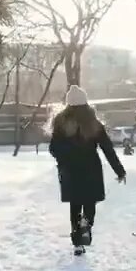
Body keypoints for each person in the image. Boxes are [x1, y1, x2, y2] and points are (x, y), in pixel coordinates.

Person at [49, 85, 126, 255]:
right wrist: (119, 170)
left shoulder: (60, 123)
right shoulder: (93, 122)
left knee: (75, 205)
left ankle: (77, 243)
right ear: (85, 103)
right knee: (90, 202)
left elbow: (53, 148)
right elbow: (107, 148)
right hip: (91, 168)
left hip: (70, 170)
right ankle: (87, 222)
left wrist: (64, 160)